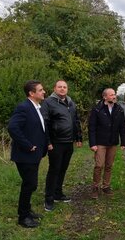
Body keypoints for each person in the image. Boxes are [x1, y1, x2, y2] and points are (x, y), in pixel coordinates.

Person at [8, 80, 48, 228]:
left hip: (34, 155)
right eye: (41, 90)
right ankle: (23, 217)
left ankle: (26, 210)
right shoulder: (23, 107)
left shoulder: (37, 107)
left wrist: (46, 143)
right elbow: (13, 128)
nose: (44, 92)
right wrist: (28, 145)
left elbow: (40, 129)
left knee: (31, 185)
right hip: (25, 155)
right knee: (29, 184)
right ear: (32, 93)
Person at [41, 80, 82, 212]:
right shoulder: (48, 102)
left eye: (65, 87)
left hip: (68, 142)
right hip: (55, 143)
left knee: (63, 169)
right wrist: (48, 142)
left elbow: (76, 121)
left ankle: (58, 194)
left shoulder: (71, 102)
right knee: (54, 170)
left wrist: (78, 137)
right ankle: (49, 198)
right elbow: (44, 123)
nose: (62, 89)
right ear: (55, 88)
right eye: (60, 87)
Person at [88, 88, 125, 199]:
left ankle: (106, 186)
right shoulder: (97, 109)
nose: (114, 97)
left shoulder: (119, 109)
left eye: (114, 94)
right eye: (111, 95)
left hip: (113, 142)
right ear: (104, 97)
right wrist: (92, 143)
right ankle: (95, 187)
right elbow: (92, 127)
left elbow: (122, 127)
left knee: (109, 166)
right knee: (99, 165)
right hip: (100, 142)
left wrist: (123, 142)